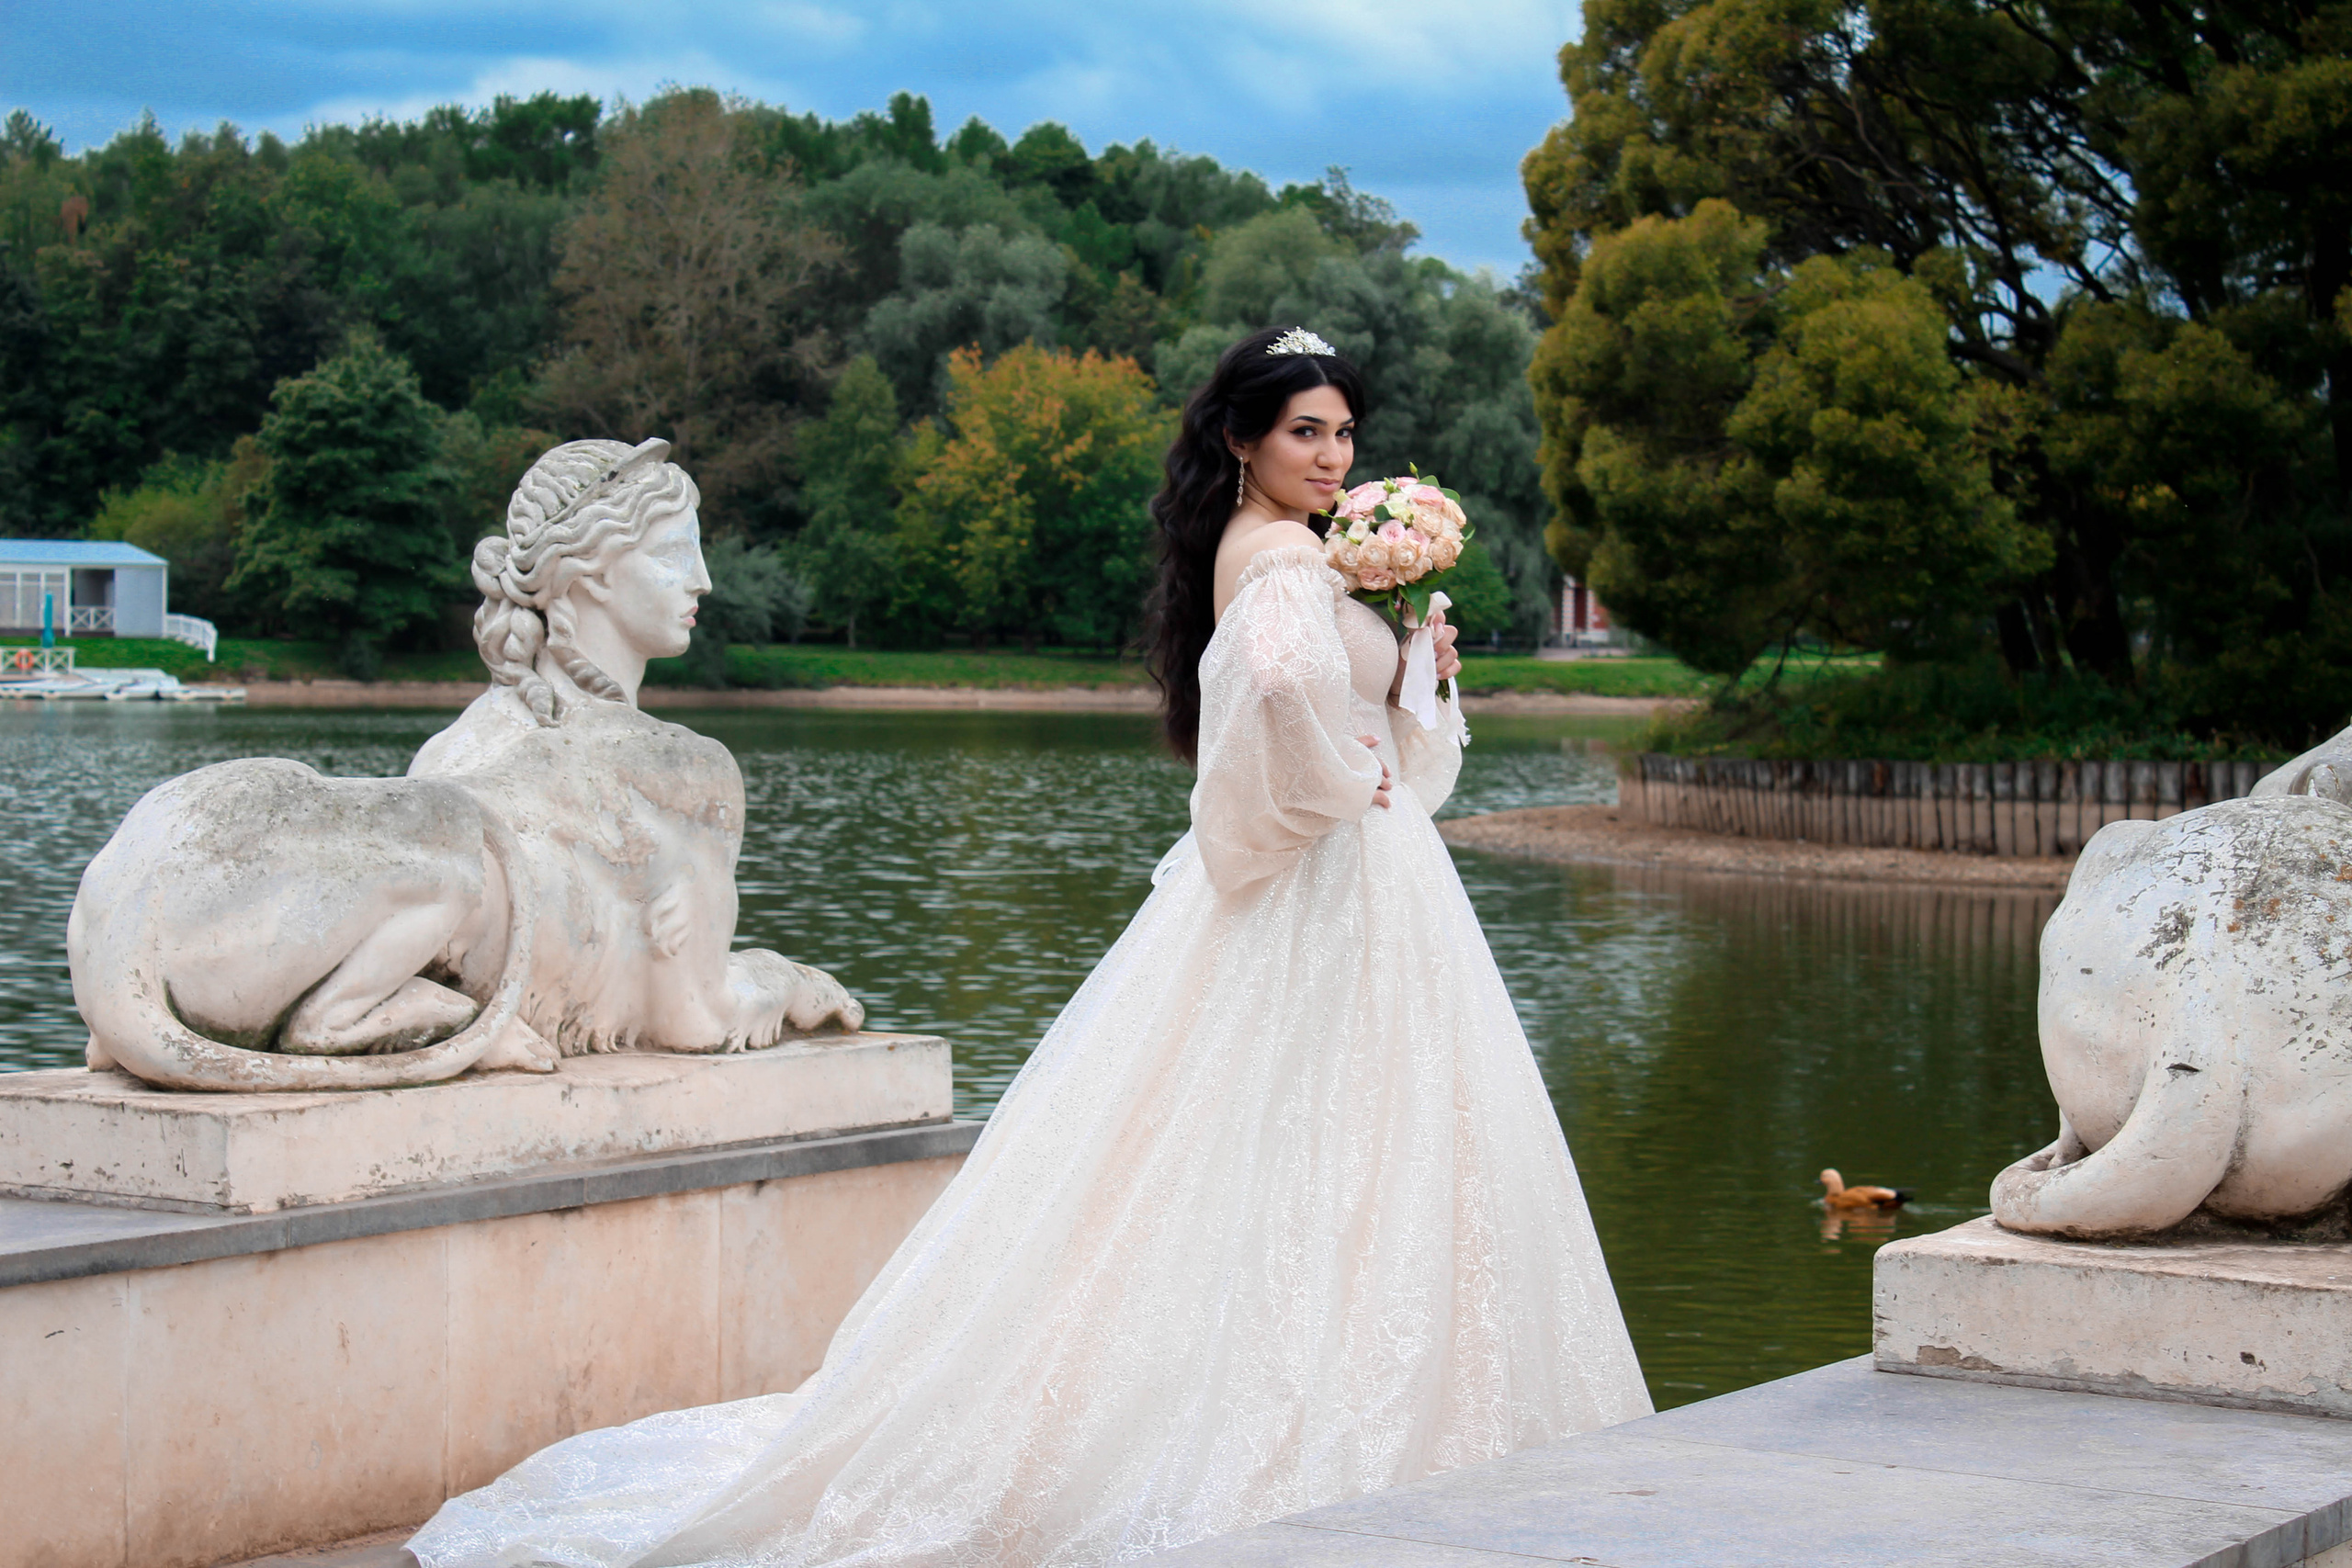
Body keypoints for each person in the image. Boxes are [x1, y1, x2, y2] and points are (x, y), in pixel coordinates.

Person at [405, 328, 1649, 1568]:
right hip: (1338, 886)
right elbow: (1275, 701)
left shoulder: (1273, 555)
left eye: (1342, 434)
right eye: (1303, 432)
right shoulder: (1279, 564)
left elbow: (1299, 704)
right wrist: (1349, 782)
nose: (1331, 456)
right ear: (1243, 440)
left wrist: (1400, 688)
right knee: (1353, 1145)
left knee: (1298, 1146)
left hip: (1344, 886)